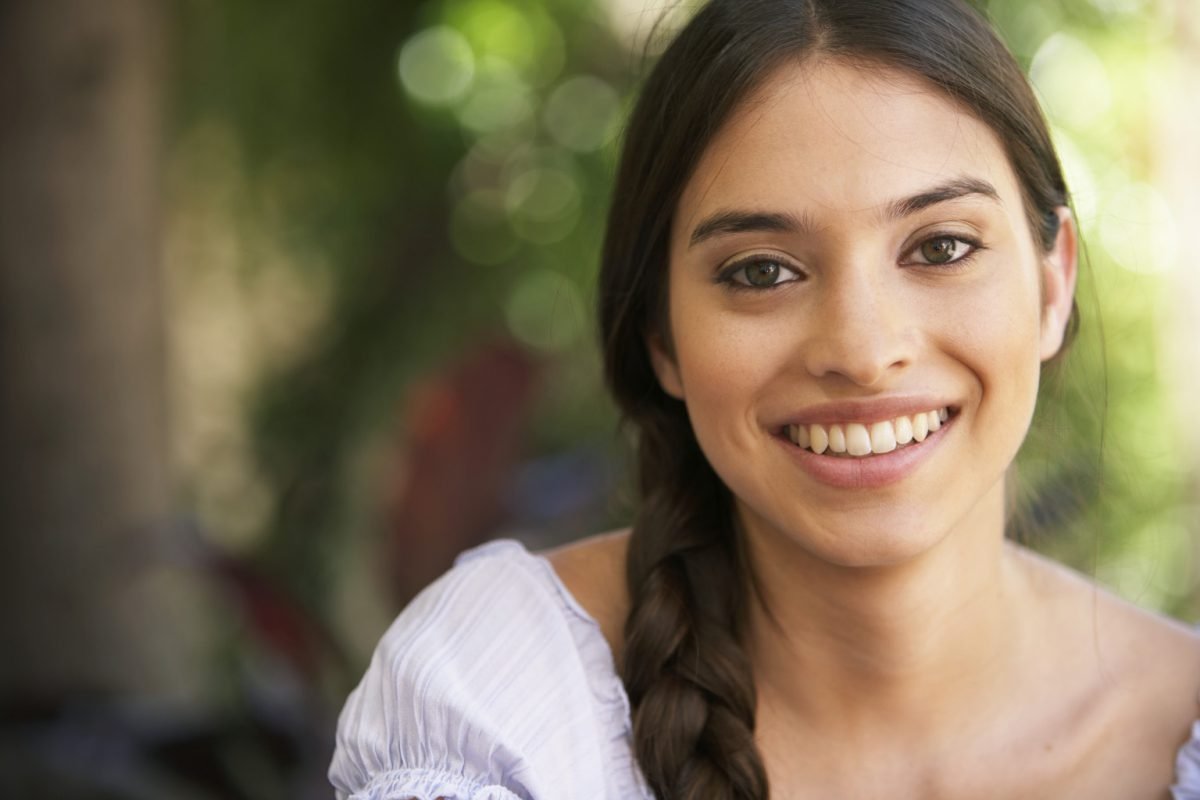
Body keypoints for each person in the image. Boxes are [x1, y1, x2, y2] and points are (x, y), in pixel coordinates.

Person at [329, 0, 1200, 797]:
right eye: (761, 271)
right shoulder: (506, 707)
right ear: (661, 337)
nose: (862, 353)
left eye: (939, 248)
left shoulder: (1182, 733)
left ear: (1054, 287)